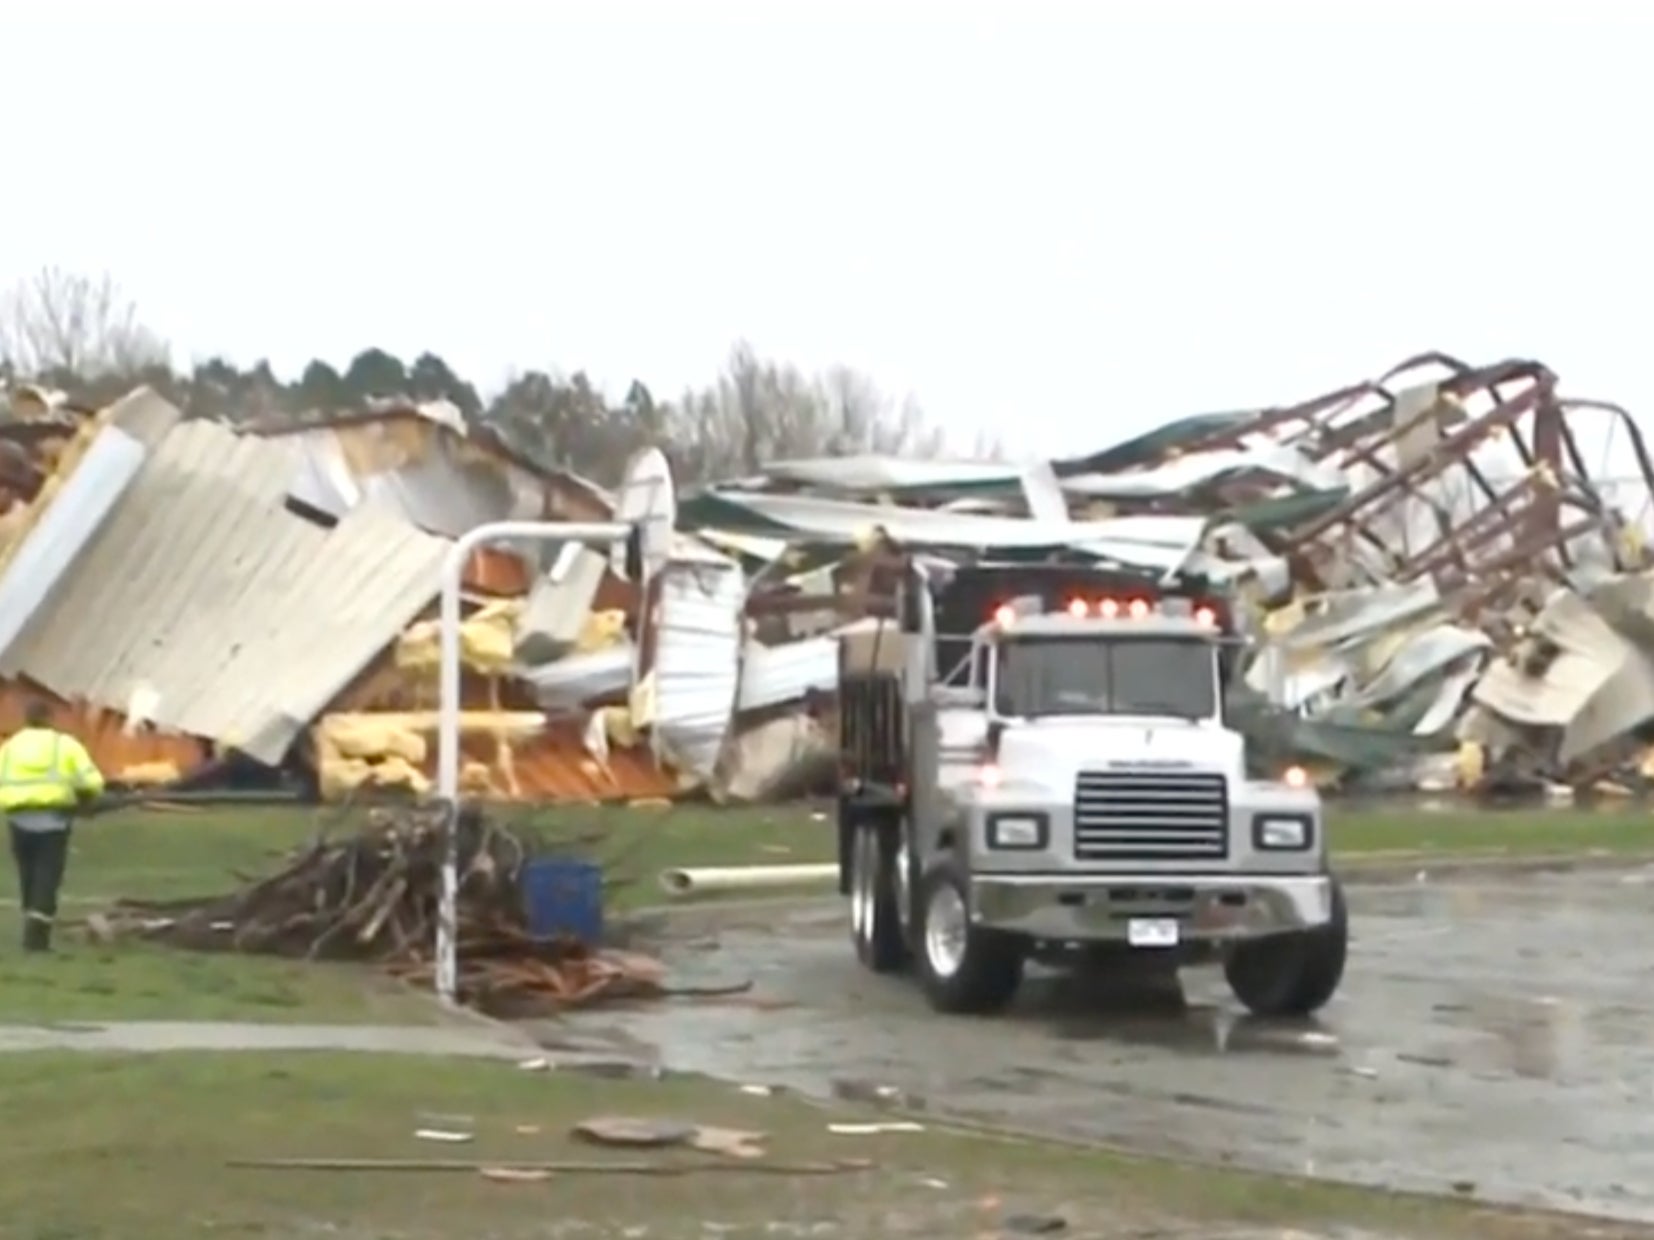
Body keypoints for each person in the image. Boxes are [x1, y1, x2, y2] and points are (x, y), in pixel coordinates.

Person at [0, 701, 105, 951]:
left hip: (18, 819)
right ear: (50, 718)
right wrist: (86, 800)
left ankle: (30, 918)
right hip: (54, 820)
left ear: (25, 718)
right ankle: (36, 939)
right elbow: (92, 781)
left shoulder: (10, 747)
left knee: (28, 874)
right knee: (47, 876)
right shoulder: (64, 745)